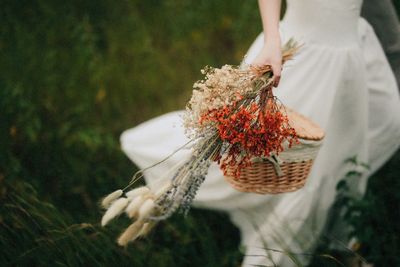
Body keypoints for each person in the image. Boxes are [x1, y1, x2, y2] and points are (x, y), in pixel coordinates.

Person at [120, 0, 400, 266]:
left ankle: (334, 228)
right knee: (306, 162)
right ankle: (295, 245)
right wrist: (272, 39)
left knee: (376, 131)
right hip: (312, 49)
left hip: (350, 44)